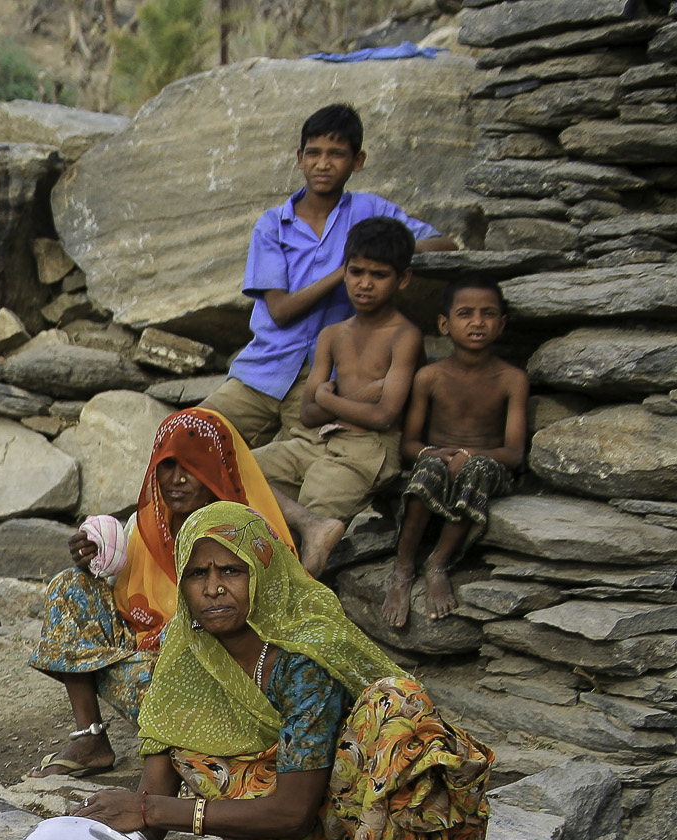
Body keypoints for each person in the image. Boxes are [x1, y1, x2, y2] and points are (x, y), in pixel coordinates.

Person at [71, 502, 493, 840]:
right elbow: (154, 790)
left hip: (376, 820)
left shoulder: (302, 654)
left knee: (395, 709)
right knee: (184, 746)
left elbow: (292, 811)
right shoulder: (188, 649)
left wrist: (153, 810)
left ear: (261, 574)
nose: (213, 588)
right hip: (309, 829)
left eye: (231, 570)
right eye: (196, 574)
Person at [24, 408, 295, 778]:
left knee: (159, 645)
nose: (177, 479)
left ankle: (198, 755)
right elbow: (119, 588)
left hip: (216, 678)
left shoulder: (243, 532)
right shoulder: (147, 525)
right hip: (146, 658)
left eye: (192, 467)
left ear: (215, 469)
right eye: (166, 466)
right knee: (70, 585)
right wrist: (93, 559)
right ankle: (91, 738)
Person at [205, 102, 452, 452]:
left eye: (337, 154)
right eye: (314, 153)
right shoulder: (273, 224)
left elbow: (444, 244)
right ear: (299, 158)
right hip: (262, 369)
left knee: (300, 465)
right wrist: (345, 270)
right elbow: (281, 310)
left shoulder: (371, 211)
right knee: (190, 435)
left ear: (358, 161)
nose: (323, 163)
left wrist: (383, 252)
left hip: (326, 381)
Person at [249, 216, 425, 578]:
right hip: (316, 440)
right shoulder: (332, 334)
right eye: (356, 271)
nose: (364, 283)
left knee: (296, 541)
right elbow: (308, 413)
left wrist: (330, 399)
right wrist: (361, 395)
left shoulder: (403, 336)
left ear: (403, 279)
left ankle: (292, 612)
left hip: (366, 450)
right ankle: (310, 522)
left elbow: (385, 416)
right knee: (231, 466)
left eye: (378, 275)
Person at [381, 276, 530, 628]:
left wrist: (470, 455)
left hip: (488, 468)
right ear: (445, 324)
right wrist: (444, 454)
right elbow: (409, 446)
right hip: (439, 460)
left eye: (488, 314)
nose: (477, 322)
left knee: (476, 468)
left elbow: (514, 453)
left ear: (502, 324)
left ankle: (438, 563)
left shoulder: (512, 379)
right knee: (429, 467)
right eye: (465, 313)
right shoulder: (429, 377)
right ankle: (402, 568)